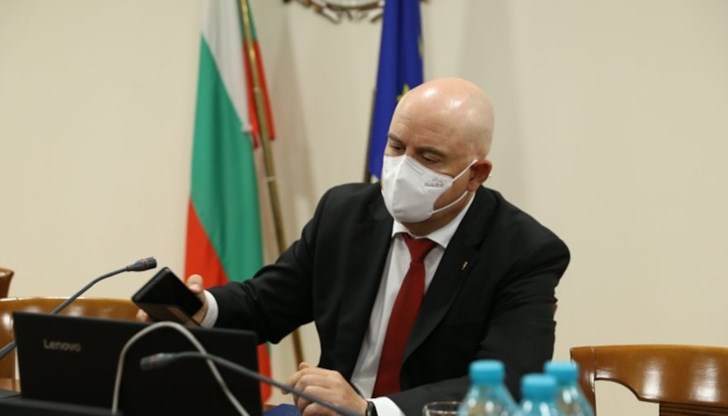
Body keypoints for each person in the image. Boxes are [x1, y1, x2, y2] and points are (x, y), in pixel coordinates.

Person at [181, 78, 569, 415]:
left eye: (428, 157)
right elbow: (266, 304)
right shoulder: (344, 213)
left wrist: (371, 411)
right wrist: (201, 308)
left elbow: (510, 382)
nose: (403, 168)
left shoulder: (524, 252)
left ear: (476, 175)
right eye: (396, 147)